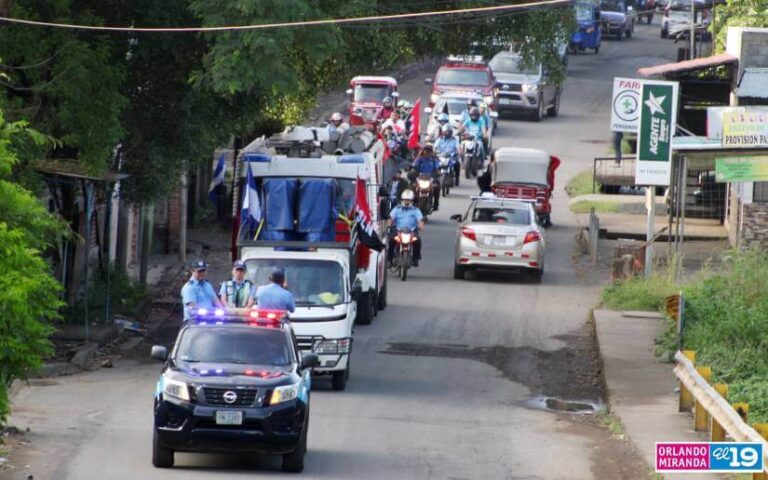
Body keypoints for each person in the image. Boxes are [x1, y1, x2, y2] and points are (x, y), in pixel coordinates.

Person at [387, 189, 425, 267]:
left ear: (412, 201)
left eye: (408, 200)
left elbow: (420, 220)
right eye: (405, 200)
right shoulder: (397, 209)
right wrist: (389, 223)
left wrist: (421, 226)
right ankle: (389, 259)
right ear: (402, 200)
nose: (406, 202)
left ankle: (415, 258)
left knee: (418, 241)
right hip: (398, 230)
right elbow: (390, 218)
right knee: (391, 240)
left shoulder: (416, 210)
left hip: (411, 231)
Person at [412, 145, 441, 211]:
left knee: (437, 188)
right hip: (420, 178)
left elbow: (438, 167)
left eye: (429, 151)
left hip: (431, 179)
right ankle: (412, 202)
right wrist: (412, 167)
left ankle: (436, 204)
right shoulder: (419, 159)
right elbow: (414, 165)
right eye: (426, 150)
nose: (427, 152)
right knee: (412, 187)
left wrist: (439, 171)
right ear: (423, 151)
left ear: (431, 152)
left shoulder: (434, 160)